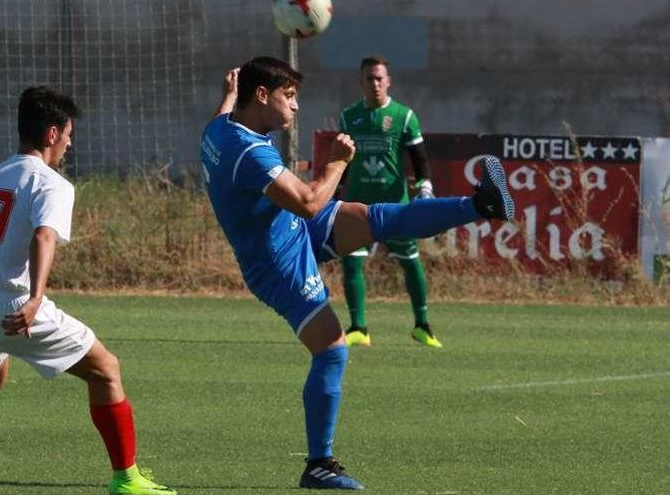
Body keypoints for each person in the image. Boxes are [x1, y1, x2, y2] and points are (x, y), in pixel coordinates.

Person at [202, 57, 514, 490]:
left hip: (290, 229)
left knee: (377, 217)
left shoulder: (220, 129)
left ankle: (481, 206)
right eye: (288, 97)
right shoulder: (248, 152)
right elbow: (310, 200)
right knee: (331, 351)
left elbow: (224, 116)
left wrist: (229, 93)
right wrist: (338, 163)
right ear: (261, 96)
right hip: (279, 263)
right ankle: (319, 464)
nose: (295, 107)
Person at [0, 86, 175, 495]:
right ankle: (127, 479)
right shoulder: (52, 183)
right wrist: (35, 299)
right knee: (106, 369)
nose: (71, 145)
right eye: (70, 135)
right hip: (13, 306)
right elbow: (44, 236)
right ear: (53, 134)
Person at [337, 55, 439, 348]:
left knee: (410, 263)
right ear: (361, 83)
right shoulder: (349, 117)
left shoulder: (404, 116)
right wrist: (334, 194)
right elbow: (342, 160)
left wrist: (425, 188)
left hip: (395, 207)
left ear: (388, 81)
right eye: (369, 78)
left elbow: (419, 159)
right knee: (352, 263)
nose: (375, 83)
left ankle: (422, 325)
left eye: (380, 78)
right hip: (358, 207)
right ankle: (359, 328)